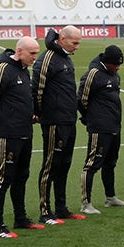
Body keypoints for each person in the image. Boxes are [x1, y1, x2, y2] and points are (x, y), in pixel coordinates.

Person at [0, 37, 40, 238]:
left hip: (25, 130)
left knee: (22, 175)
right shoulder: (3, 68)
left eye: (36, 53)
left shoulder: (24, 71)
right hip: (8, 132)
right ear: (19, 51)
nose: (35, 57)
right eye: (32, 53)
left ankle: (20, 218)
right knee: (4, 176)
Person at [33, 26, 85, 225]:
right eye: (75, 43)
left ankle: (61, 208)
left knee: (64, 164)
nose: (77, 47)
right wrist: (40, 112)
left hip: (68, 119)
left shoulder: (65, 57)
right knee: (50, 165)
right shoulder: (48, 58)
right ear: (62, 39)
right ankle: (45, 211)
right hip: (54, 120)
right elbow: (37, 88)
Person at [78, 45, 124, 215]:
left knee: (110, 163)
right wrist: (91, 118)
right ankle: (86, 203)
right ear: (106, 62)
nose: (118, 68)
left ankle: (110, 198)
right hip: (99, 127)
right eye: (115, 64)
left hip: (115, 126)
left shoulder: (115, 76)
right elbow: (82, 100)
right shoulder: (93, 74)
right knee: (92, 164)